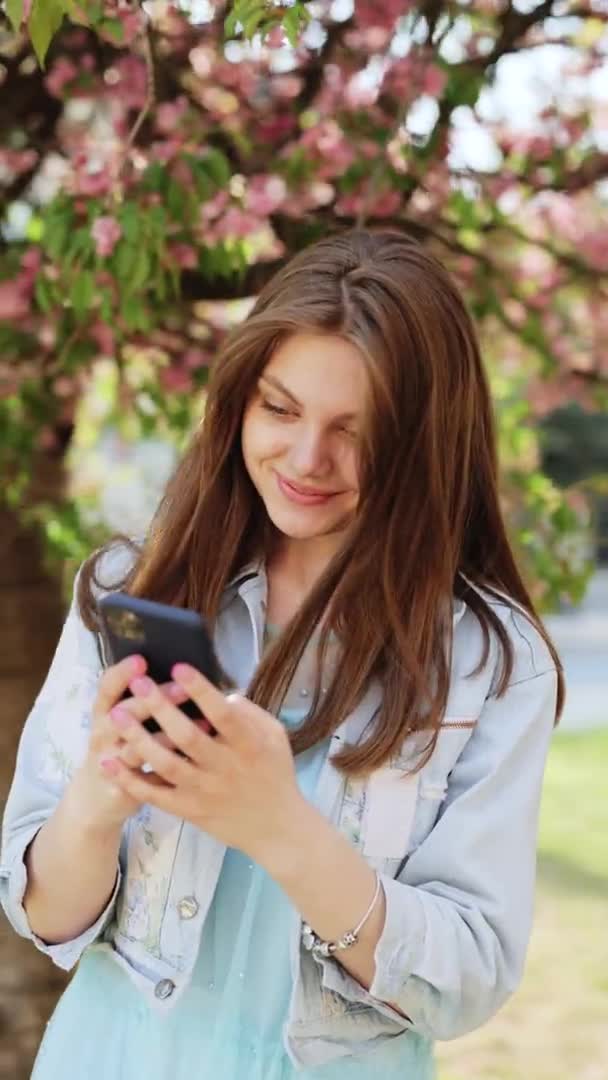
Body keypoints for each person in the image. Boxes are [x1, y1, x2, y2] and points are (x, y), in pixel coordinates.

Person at [1, 227, 564, 1079]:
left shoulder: (491, 661)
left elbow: (470, 977)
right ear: (238, 402)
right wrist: (100, 795)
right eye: (281, 408)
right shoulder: (134, 587)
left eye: (358, 428)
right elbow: (39, 911)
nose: (308, 460)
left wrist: (278, 826)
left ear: (424, 439)